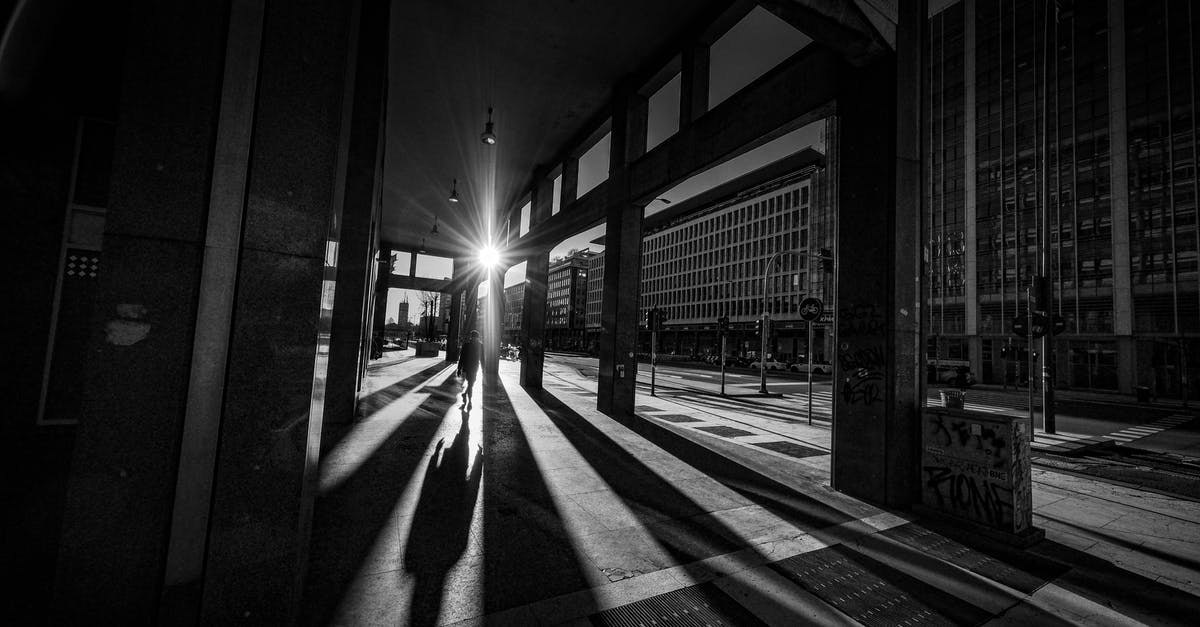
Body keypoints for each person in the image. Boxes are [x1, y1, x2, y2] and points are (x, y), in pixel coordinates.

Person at [456, 330, 482, 407]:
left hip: (475, 368)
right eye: (473, 337)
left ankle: (465, 394)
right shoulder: (466, 345)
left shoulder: (480, 346)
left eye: (475, 337)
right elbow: (462, 358)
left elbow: (482, 358)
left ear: (477, 338)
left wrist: (484, 369)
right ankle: (469, 401)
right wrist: (459, 369)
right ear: (471, 337)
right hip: (467, 368)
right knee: (470, 383)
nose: (474, 339)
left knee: (471, 383)